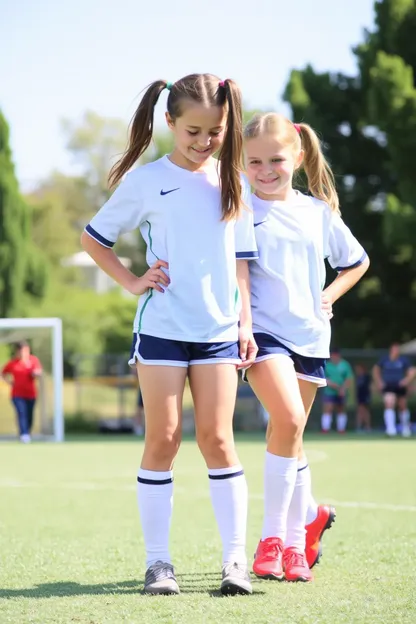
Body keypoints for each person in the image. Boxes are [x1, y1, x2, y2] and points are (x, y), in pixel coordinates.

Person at [81, 74, 258, 596]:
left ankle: (234, 563)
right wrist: (135, 282)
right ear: (170, 123)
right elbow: (95, 240)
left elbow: (242, 262)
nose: (205, 142)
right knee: (163, 439)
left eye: (216, 132)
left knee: (218, 440)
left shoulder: (234, 183)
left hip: (220, 333)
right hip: (160, 330)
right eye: (194, 131)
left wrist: (246, 323)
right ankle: (159, 565)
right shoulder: (144, 180)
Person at [242, 112, 369, 582]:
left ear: (296, 156)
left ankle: (303, 535)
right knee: (289, 421)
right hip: (262, 336)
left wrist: (328, 296)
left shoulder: (318, 212)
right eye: (254, 161)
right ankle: (273, 538)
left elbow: (356, 262)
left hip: (311, 336)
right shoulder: (237, 206)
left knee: (290, 436)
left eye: (275, 159)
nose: (265, 170)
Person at [0, 341, 42, 443]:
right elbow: (2, 373)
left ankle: (27, 432)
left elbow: (39, 371)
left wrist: (35, 373)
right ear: (17, 351)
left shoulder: (33, 360)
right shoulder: (13, 363)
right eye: (22, 351)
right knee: (21, 413)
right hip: (17, 394)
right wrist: (9, 382)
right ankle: (24, 434)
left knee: (29, 415)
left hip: (31, 394)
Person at [372, 343, 415, 437]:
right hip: (388, 386)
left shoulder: (404, 360)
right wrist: (379, 382)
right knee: (389, 402)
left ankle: (405, 428)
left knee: (402, 405)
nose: (396, 351)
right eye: (395, 349)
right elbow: (376, 369)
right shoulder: (384, 360)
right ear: (391, 350)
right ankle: (390, 429)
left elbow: (412, 371)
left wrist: (406, 381)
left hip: (400, 386)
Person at [321, 348, 354, 433]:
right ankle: (325, 429)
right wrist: (331, 384)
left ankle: (341, 429)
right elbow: (324, 377)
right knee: (328, 408)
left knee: (341, 409)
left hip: (341, 392)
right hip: (329, 391)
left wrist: (342, 388)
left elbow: (349, 378)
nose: (334, 357)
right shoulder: (327, 365)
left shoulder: (345, 365)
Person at [355, 363, 372, 432]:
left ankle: (367, 426)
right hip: (359, 395)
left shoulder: (367, 377)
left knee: (364, 410)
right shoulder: (358, 377)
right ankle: (360, 426)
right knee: (360, 410)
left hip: (365, 395)